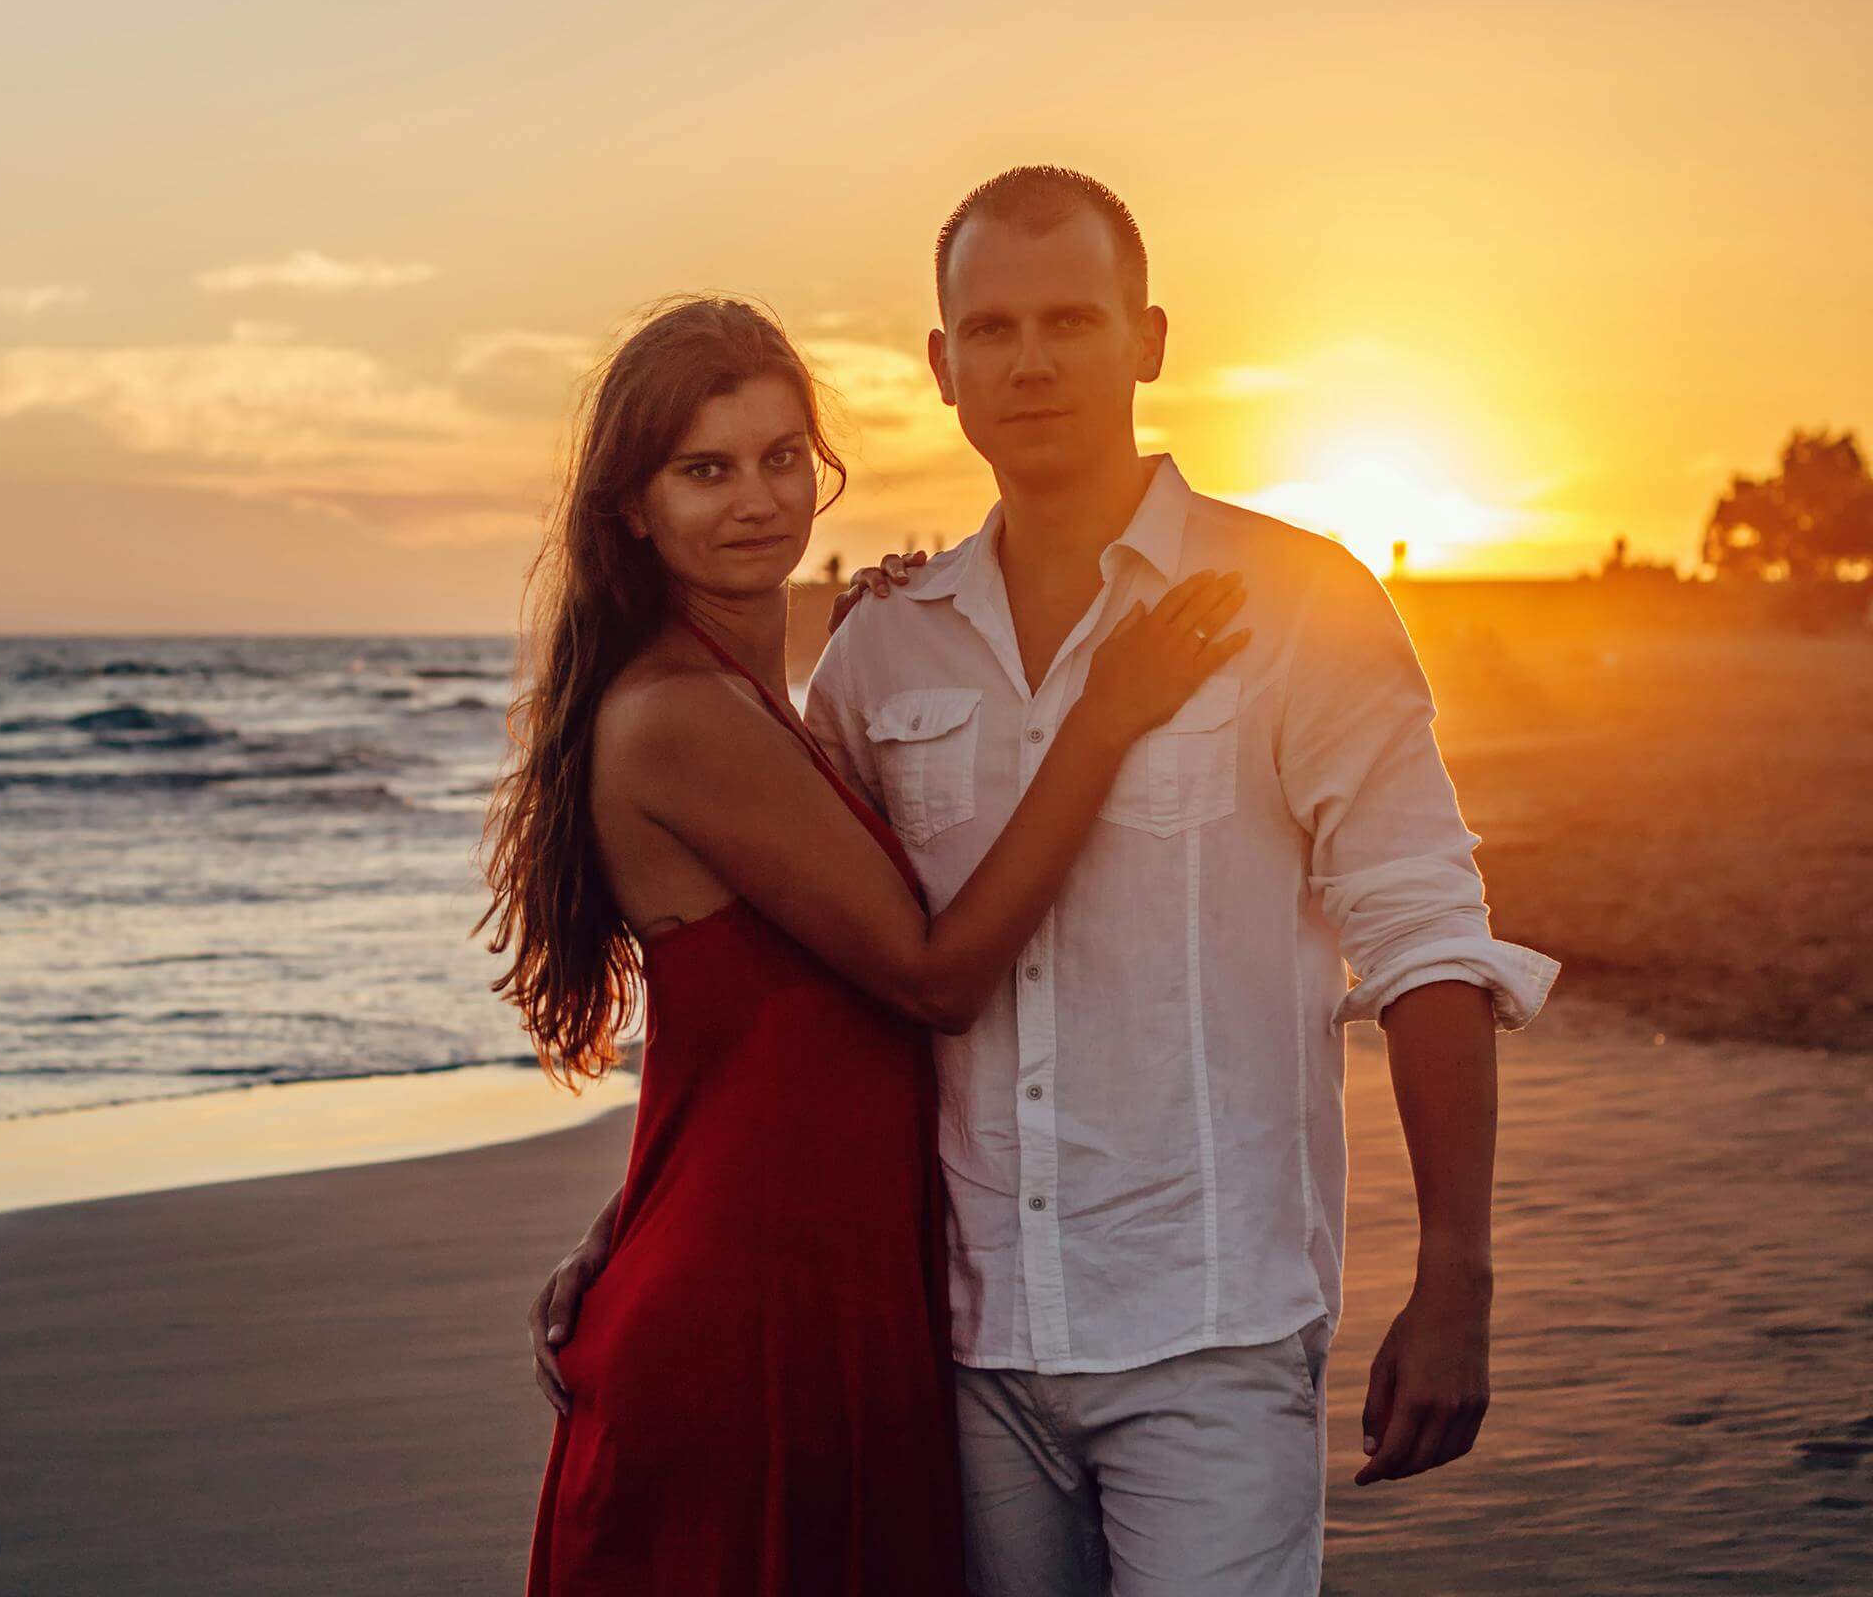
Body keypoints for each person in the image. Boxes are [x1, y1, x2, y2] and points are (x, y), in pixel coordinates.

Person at [533, 170, 1561, 1595]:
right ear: (943, 368)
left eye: (1071, 319)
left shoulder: (1303, 602)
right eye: (994, 328)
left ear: (1146, 338)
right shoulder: (883, 652)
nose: (1033, 361)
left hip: (1208, 1329)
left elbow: (1425, 935)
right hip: (960, 1348)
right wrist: (633, 1218)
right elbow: (820, 975)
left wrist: (1458, 1271)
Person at [484, 294, 1251, 1597]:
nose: (756, 500)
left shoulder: (747, 699)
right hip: (752, 1323)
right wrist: (1107, 718)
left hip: (822, 1287)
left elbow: (753, 1044)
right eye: (704, 470)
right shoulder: (677, 716)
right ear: (632, 505)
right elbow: (935, 976)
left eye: (784, 458)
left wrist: (626, 1216)